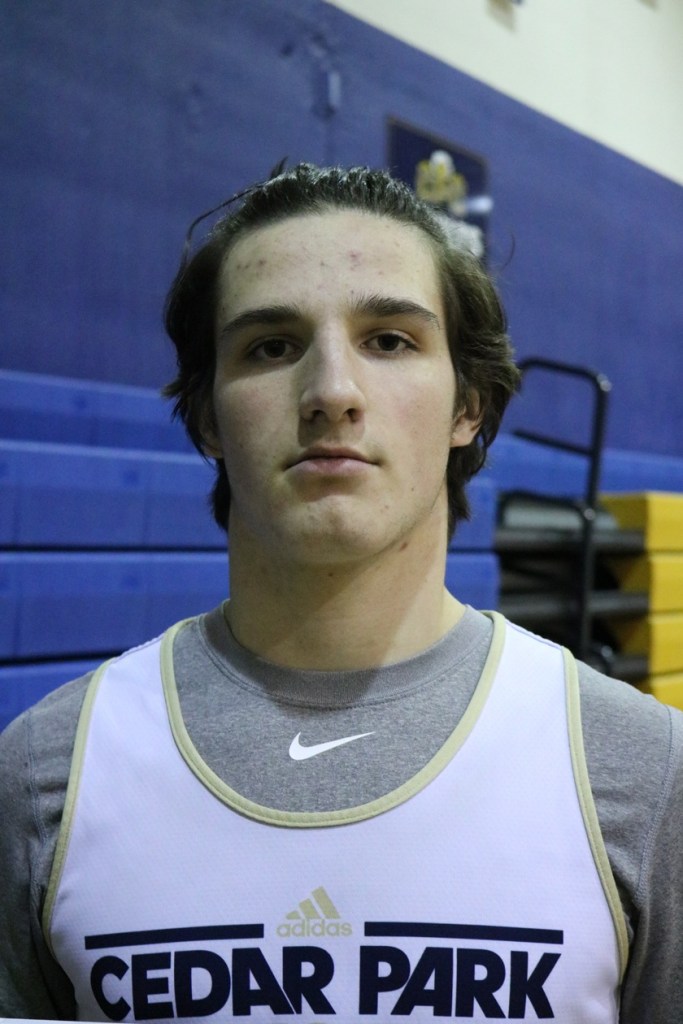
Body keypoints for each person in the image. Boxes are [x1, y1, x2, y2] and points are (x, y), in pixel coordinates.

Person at [1, 163, 681, 1023]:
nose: (331, 393)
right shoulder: (49, 771)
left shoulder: (641, 773)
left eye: (389, 340)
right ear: (208, 417)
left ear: (468, 405)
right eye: (271, 346)